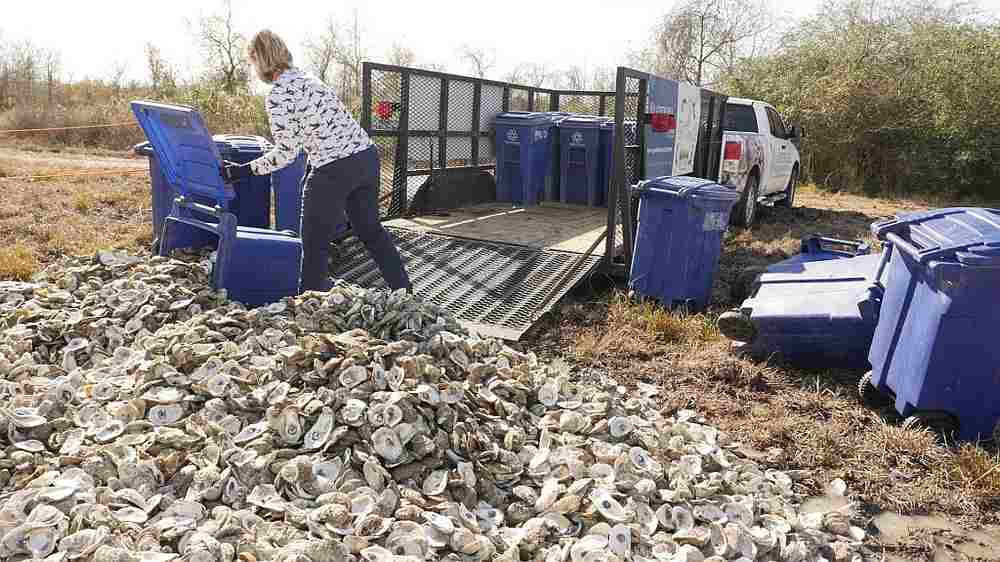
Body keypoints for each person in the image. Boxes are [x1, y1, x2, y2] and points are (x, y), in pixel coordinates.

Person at [221, 29, 411, 294]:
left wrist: (242, 171)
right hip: (366, 157)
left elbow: (286, 152)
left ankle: (309, 312)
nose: (252, 68)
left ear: (258, 58)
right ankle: (404, 291)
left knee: (314, 244)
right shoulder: (309, 78)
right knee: (371, 231)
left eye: (251, 61)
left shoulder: (279, 94)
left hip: (335, 168)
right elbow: (319, 132)